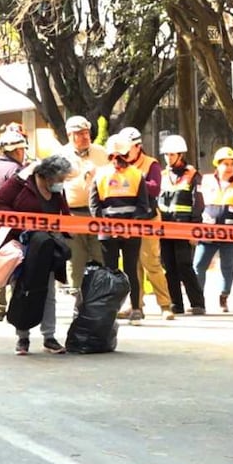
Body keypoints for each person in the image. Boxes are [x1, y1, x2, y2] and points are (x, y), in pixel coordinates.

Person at [0, 155, 74, 355]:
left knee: (49, 292)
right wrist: (21, 224)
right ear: (46, 176)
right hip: (24, 246)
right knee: (23, 290)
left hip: (48, 246)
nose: (61, 183)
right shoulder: (21, 184)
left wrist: (70, 229)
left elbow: (63, 212)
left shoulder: (56, 191)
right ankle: (22, 337)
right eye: (59, 179)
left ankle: (49, 337)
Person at [90, 135, 154, 325]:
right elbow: (94, 205)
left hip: (131, 232)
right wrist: (107, 226)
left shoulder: (136, 175)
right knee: (110, 272)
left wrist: (130, 225)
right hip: (107, 232)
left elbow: (143, 206)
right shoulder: (100, 175)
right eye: (113, 157)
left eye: (121, 156)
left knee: (130, 270)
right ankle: (111, 310)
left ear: (127, 155)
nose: (117, 161)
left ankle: (135, 308)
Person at [116, 126, 174, 320]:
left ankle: (165, 305)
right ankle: (136, 305)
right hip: (129, 220)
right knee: (132, 265)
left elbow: (155, 188)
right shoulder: (118, 164)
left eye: (127, 148)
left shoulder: (151, 164)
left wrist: (133, 179)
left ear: (137, 146)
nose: (124, 152)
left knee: (151, 263)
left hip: (148, 218)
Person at [156, 134, 206, 316]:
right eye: (166, 155)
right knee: (169, 266)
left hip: (184, 228)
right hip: (164, 228)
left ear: (180, 155)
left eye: (172, 155)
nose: (168, 158)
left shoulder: (192, 175)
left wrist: (195, 229)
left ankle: (197, 303)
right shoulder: (162, 176)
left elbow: (198, 203)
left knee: (184, 265)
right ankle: (176, 304)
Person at [194, 147, 233, 313]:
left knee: (227, 266)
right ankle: (198, 299)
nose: (229, 167)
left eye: (232, 164)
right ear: (217, 165)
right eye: (225, 164)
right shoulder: (206, 180)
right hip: (208, 232)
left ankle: (224, 296)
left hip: (231, 233)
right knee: (199, 265)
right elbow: (198, 204)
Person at [59, 115, 107, 293]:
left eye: (87, 132)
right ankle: (76, 295)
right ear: (70, 135)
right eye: (80, 134)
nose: (85, 137)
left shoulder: (101, 153)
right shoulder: (61, 155)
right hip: (73, 214)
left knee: (100, 254)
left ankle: (101, 294)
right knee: (76, 258)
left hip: (98, 213)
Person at [0, 129, 30, 321]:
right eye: (22, 150)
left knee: (0, 262)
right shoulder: (16, 171)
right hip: (13, 225)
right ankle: (13, 307)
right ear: (17, 150)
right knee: (14, 264)